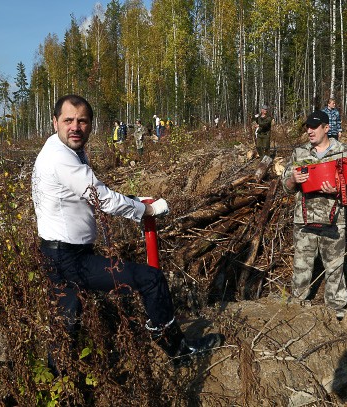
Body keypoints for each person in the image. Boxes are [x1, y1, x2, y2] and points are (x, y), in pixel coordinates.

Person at [31, 95, 223, 371]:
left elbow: (86, 189)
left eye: (82, 121)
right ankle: (177, 349)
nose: (75, 126)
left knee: (66, 327)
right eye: (68, 120)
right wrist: (146, 211)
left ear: (91, 125)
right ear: (55, 122)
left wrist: (132, 199)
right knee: (151, 278)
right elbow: (102, 198)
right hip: (69, 259)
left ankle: (58, 385)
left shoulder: (61, 149)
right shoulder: (61, 158)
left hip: (56, 255)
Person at [281, 110, 347, 320]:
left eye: (314, 127)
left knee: (334, 268)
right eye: (307, 126)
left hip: (333, 220)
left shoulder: (344, 152)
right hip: (304, 219)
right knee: (301, 266)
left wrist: (336, 189)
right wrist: (294, 180)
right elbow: (286, 187)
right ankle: (298, 306)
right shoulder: (299, 153)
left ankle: (336, 312)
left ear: (326, 128)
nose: (309, 130)